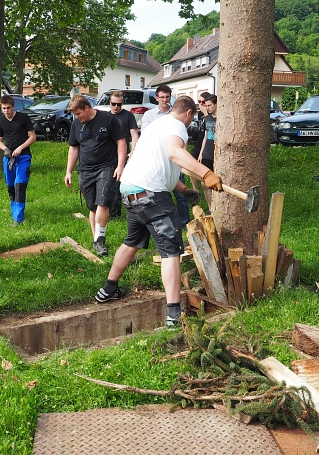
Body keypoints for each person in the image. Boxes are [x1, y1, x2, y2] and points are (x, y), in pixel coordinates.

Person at [95, 96, 223, 327]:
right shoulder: (177, 126)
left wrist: (184, 190)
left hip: (130, 190)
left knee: (132, 241)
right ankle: (174, 315)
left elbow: (160, 166)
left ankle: (108, 290)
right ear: (189, 113)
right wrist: (207, 173)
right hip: (151, 195)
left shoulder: (155, 126)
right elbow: (174, 154)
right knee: (171, 251)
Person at [65, 95, 127, 256]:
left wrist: (120, 166)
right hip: (85, 170)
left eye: (78, 113)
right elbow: (74, 148)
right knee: (92, 207)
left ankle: (100, 240)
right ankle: (96, 240)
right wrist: (68, 171)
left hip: (107, 166)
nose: (77, 117)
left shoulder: (107, 119)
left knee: (103, 202)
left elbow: (121, 142)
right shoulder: (76, 124)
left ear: (87, 108)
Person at [140, 84, 190, 228]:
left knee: (181, 194)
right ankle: (166, 224)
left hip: (175, 159)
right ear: (156, 98)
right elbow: (146, 136)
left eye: (167, 97)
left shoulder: (176, 114)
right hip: (158, 159)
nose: (165, 100)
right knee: (162, 194)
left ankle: (184, 223)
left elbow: (182, 138)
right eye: (162, 97)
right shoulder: (149, 115)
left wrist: (184, 157)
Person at [0, 94, 36, 226]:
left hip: (23, 157)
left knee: (20, 185)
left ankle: (18, 219)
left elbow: (32, 137)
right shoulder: (0, 122)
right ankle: (15, 213)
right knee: (11, 186)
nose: (6, 111)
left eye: (8, 108)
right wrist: (5, 149)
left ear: (13, 107)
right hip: (8, 158)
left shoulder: (23, 118)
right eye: (4, 108)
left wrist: (20, 148)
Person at [108, 90, 138, 218]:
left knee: (122, 184)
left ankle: (123, 212)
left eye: (119, 104)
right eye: (113, 104)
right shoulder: (106, 116)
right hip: (109, 155)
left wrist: (133, 152)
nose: (116, 107)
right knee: (111, 184)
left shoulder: (128, 116)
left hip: (124, 155)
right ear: (110, 103)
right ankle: (113, 213)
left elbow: (134, 135)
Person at [197, 94, 218, 213]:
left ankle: (217, 207)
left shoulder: (222, 119)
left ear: (216, 104)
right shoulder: (207, 118)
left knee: (216, 181)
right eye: (206, 105)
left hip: (217, 154)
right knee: (204, 183)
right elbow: (205, 136)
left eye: (209, 105)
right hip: (207, 153)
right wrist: (201, 153)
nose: (207, 108)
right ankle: (210, 208)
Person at [189, 92, 211, 194]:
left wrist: (206, 113)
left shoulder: (210, 113)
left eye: (202, 102)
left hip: (207, 144)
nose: (200, 104)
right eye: (199, 102)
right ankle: (195, 190)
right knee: (189, 164)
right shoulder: (200, 114)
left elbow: (210, 125)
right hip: (199, 142)